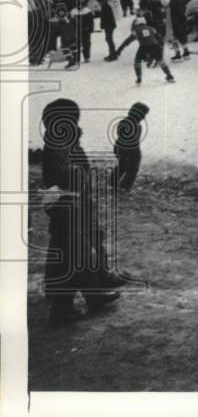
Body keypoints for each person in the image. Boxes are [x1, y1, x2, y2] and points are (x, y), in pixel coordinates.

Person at [40, 98, 127, 325]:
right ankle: (69, 307)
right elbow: (63, 172)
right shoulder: (59, 142)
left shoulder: (64, 139)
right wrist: (80, 170)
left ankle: (93, 296)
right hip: (68, 204)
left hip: (73, 203)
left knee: (77, 248)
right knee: (76, 253)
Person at [112, 16, 175, 85]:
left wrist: (119, 50)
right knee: (161, 61)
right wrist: (160, 50)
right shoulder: (152, 29)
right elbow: (160, 39)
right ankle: (169, 76)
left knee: (137, 61)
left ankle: (139, 79)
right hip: (155, 46)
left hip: (143, 47)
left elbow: (127, 42)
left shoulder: (136, 31)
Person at [114, 101, 150, 191]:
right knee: (132, 169)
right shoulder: (134, 125)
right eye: (143, 114)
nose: (144, 117)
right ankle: (124, 186)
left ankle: (113, 182)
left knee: (122, 166)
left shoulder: (126, 122)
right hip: (130, 150)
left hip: (123, 148)